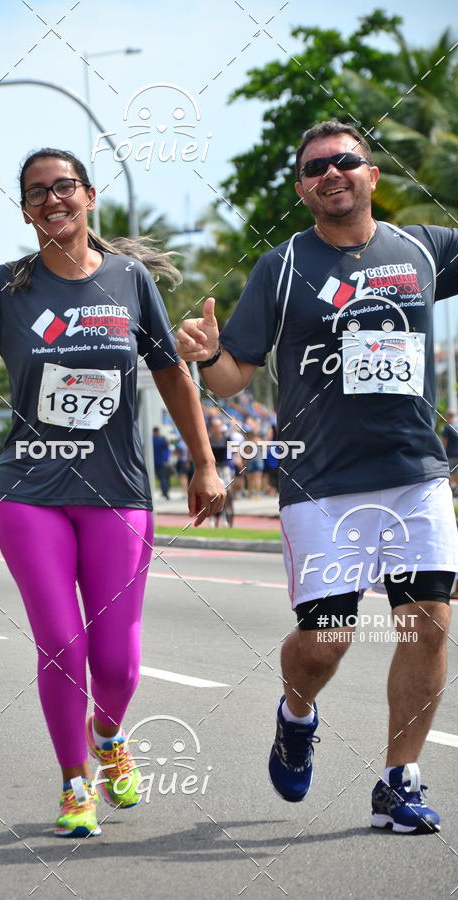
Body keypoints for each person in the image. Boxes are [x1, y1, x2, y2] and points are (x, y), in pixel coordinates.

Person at [0, 149, 224, 839]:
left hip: (119, 490)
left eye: (65, 186)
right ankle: (73, 783)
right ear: (26, 209)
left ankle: (109, 734)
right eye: (37, 192)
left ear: (88, 196)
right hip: (31, 490)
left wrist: (204, 462)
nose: (53, 199)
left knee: (117, 661)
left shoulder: (129, 281)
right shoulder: (9, 288)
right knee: (62, 645)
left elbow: (172, 372)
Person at [176, 120, 458, 835]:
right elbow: (236, 377)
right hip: (321, 484)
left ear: (371, 174)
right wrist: (209, 357)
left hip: (415, 474)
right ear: (303, 189)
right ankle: (296, 714)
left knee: (429, 625)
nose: (332, 174)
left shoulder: (424, 247)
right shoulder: (284, 267)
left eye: (345, 161)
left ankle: (399, 780)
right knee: (327, 641)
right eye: (315, 169)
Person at [441, 411, 458, 495]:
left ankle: (452, 489)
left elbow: (444, 442)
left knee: (448, 473)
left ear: (448, 417)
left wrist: (442, 454)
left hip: (450, 455)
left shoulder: (448, 428)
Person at [152, 427, 171, 499]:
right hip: (162, 462)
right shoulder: (162, 439)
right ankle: (165, 493)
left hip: (152, 462)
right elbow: (168, 448)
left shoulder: (151, 440)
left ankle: (162, 492)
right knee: (163, 478)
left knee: (153, 478)